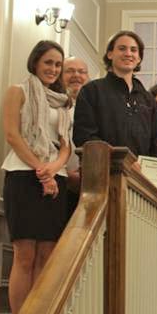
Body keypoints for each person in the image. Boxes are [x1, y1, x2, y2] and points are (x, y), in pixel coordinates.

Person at [2, 40, 72, 314]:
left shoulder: (63, 101)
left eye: (58, 64)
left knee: (47, 255)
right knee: (25, 255)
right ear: (35, 62)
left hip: (57, 178)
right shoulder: (17, 91)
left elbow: (65, 145)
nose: (53, 69)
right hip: (23, 175)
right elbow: (12, 135)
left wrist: (52, 168)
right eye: (48, 63)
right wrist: (40, 169)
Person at [73, 30, 157, 159]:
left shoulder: (149, 100)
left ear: (139, 58)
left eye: (133, 50)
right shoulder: (91, 91)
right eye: (122, 49)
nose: (128, 53)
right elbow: (84, 136)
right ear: (110, 54)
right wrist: (122, 160)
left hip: (140, 175)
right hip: (101, 171)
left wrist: (146, 168)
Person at [61, 56, 90, 217]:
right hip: (55, 180)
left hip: (86, 185)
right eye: (70, 71)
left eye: (81, 72)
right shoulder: (54, 105)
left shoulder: (96, 108)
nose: (76, 75)